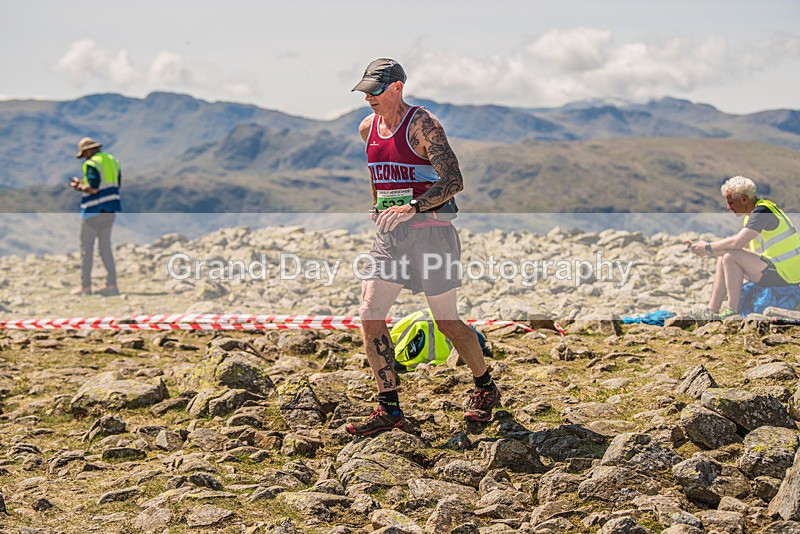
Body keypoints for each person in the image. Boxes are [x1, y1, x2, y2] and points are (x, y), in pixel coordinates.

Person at [346, 58, 502, 436]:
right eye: (365, 90)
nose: (369, 97)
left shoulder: (422, 125)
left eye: (376, 90)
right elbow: (376, 172)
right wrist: (379, 204)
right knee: (369, 314)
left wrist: (411, 207)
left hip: (432, 234)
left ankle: (485, 386)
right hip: (390, 238)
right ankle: (390, 409)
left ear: (397, 87)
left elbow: (454, 181)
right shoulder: (368, 127)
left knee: (445, 322)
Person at [687, 175, 800, 318]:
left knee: (730, 256)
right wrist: (705, 251)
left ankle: (733, 311)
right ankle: (711, 311)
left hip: (786, 275)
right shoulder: (754, 214)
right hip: (778, 270)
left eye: (731, 203)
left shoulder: (762, 212)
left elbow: (737, 243)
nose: (729, 208)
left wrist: (708, 247)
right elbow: (735, 247)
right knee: (725, 257)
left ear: (744, 199)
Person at [69, 137, 122, 296]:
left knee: (87, 248)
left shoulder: (91, 164)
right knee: (105, 247)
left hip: (94, 211)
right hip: (110, 209)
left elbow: (93, 189)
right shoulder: (112, 161)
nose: (84, 157)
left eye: (84, 154)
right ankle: (112, 284)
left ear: (89, 151)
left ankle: (85, 286)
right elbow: (114, 184)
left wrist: (79, 187)